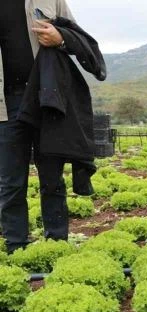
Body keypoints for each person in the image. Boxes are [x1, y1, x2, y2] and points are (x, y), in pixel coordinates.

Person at [0, 0, 83, 253]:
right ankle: (17, 246)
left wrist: (60, 37)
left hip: (46, 98)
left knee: (51, 176)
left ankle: (56, 245)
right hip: (5, 102)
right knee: (11, 181)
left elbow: (78, 37)